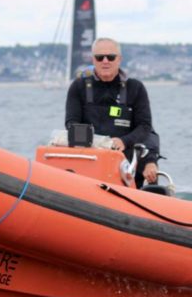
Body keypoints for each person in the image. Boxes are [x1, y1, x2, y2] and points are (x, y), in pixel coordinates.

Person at [65, 37, 160, 188]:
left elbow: (144, 126)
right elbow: (71, 123)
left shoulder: (135, 88)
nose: (105, 61)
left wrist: (124, 141)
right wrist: (94, 142)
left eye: (110, 57)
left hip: (125, 166)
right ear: (93, 60)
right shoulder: (78, 87)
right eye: (99, 57)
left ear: (119, 59)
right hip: (90, 164)